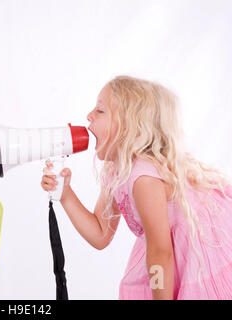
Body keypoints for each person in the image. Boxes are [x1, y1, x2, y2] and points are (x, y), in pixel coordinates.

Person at [41, 75, 232, 300]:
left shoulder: (143, 178)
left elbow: (161, 254)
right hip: (164, 255)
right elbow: (101, 233)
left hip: (198, 254)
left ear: (128, 125)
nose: (89, 116)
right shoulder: (117, 171)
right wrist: (65, 194)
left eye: (100, 111)